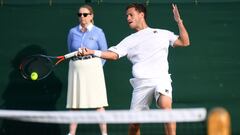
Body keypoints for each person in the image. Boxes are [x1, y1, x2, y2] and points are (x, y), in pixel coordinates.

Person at [80, 3, 190, 135]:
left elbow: (185, 42)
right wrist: (93, 51)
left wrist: (179, 22)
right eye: (126, 16)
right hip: (141, 85)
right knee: (133, 124)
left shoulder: (162, 33)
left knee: (166, 106)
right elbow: (114, 55)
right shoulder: (128, 40)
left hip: (161, 79)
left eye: (131, 15)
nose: (128, 18)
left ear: (141, 15)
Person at [66, 4, 108, 135]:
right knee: (74, 104)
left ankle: (104, 133)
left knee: (99, 104)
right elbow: (70, 50)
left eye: (85, 14)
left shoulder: (98, 32)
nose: (82, 17)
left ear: (91, 16)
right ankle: (71, 133)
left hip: (94, 70)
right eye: (80, 15)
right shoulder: (72, 32)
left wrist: (95, 66)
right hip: (76, 69)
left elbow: (105, 53)